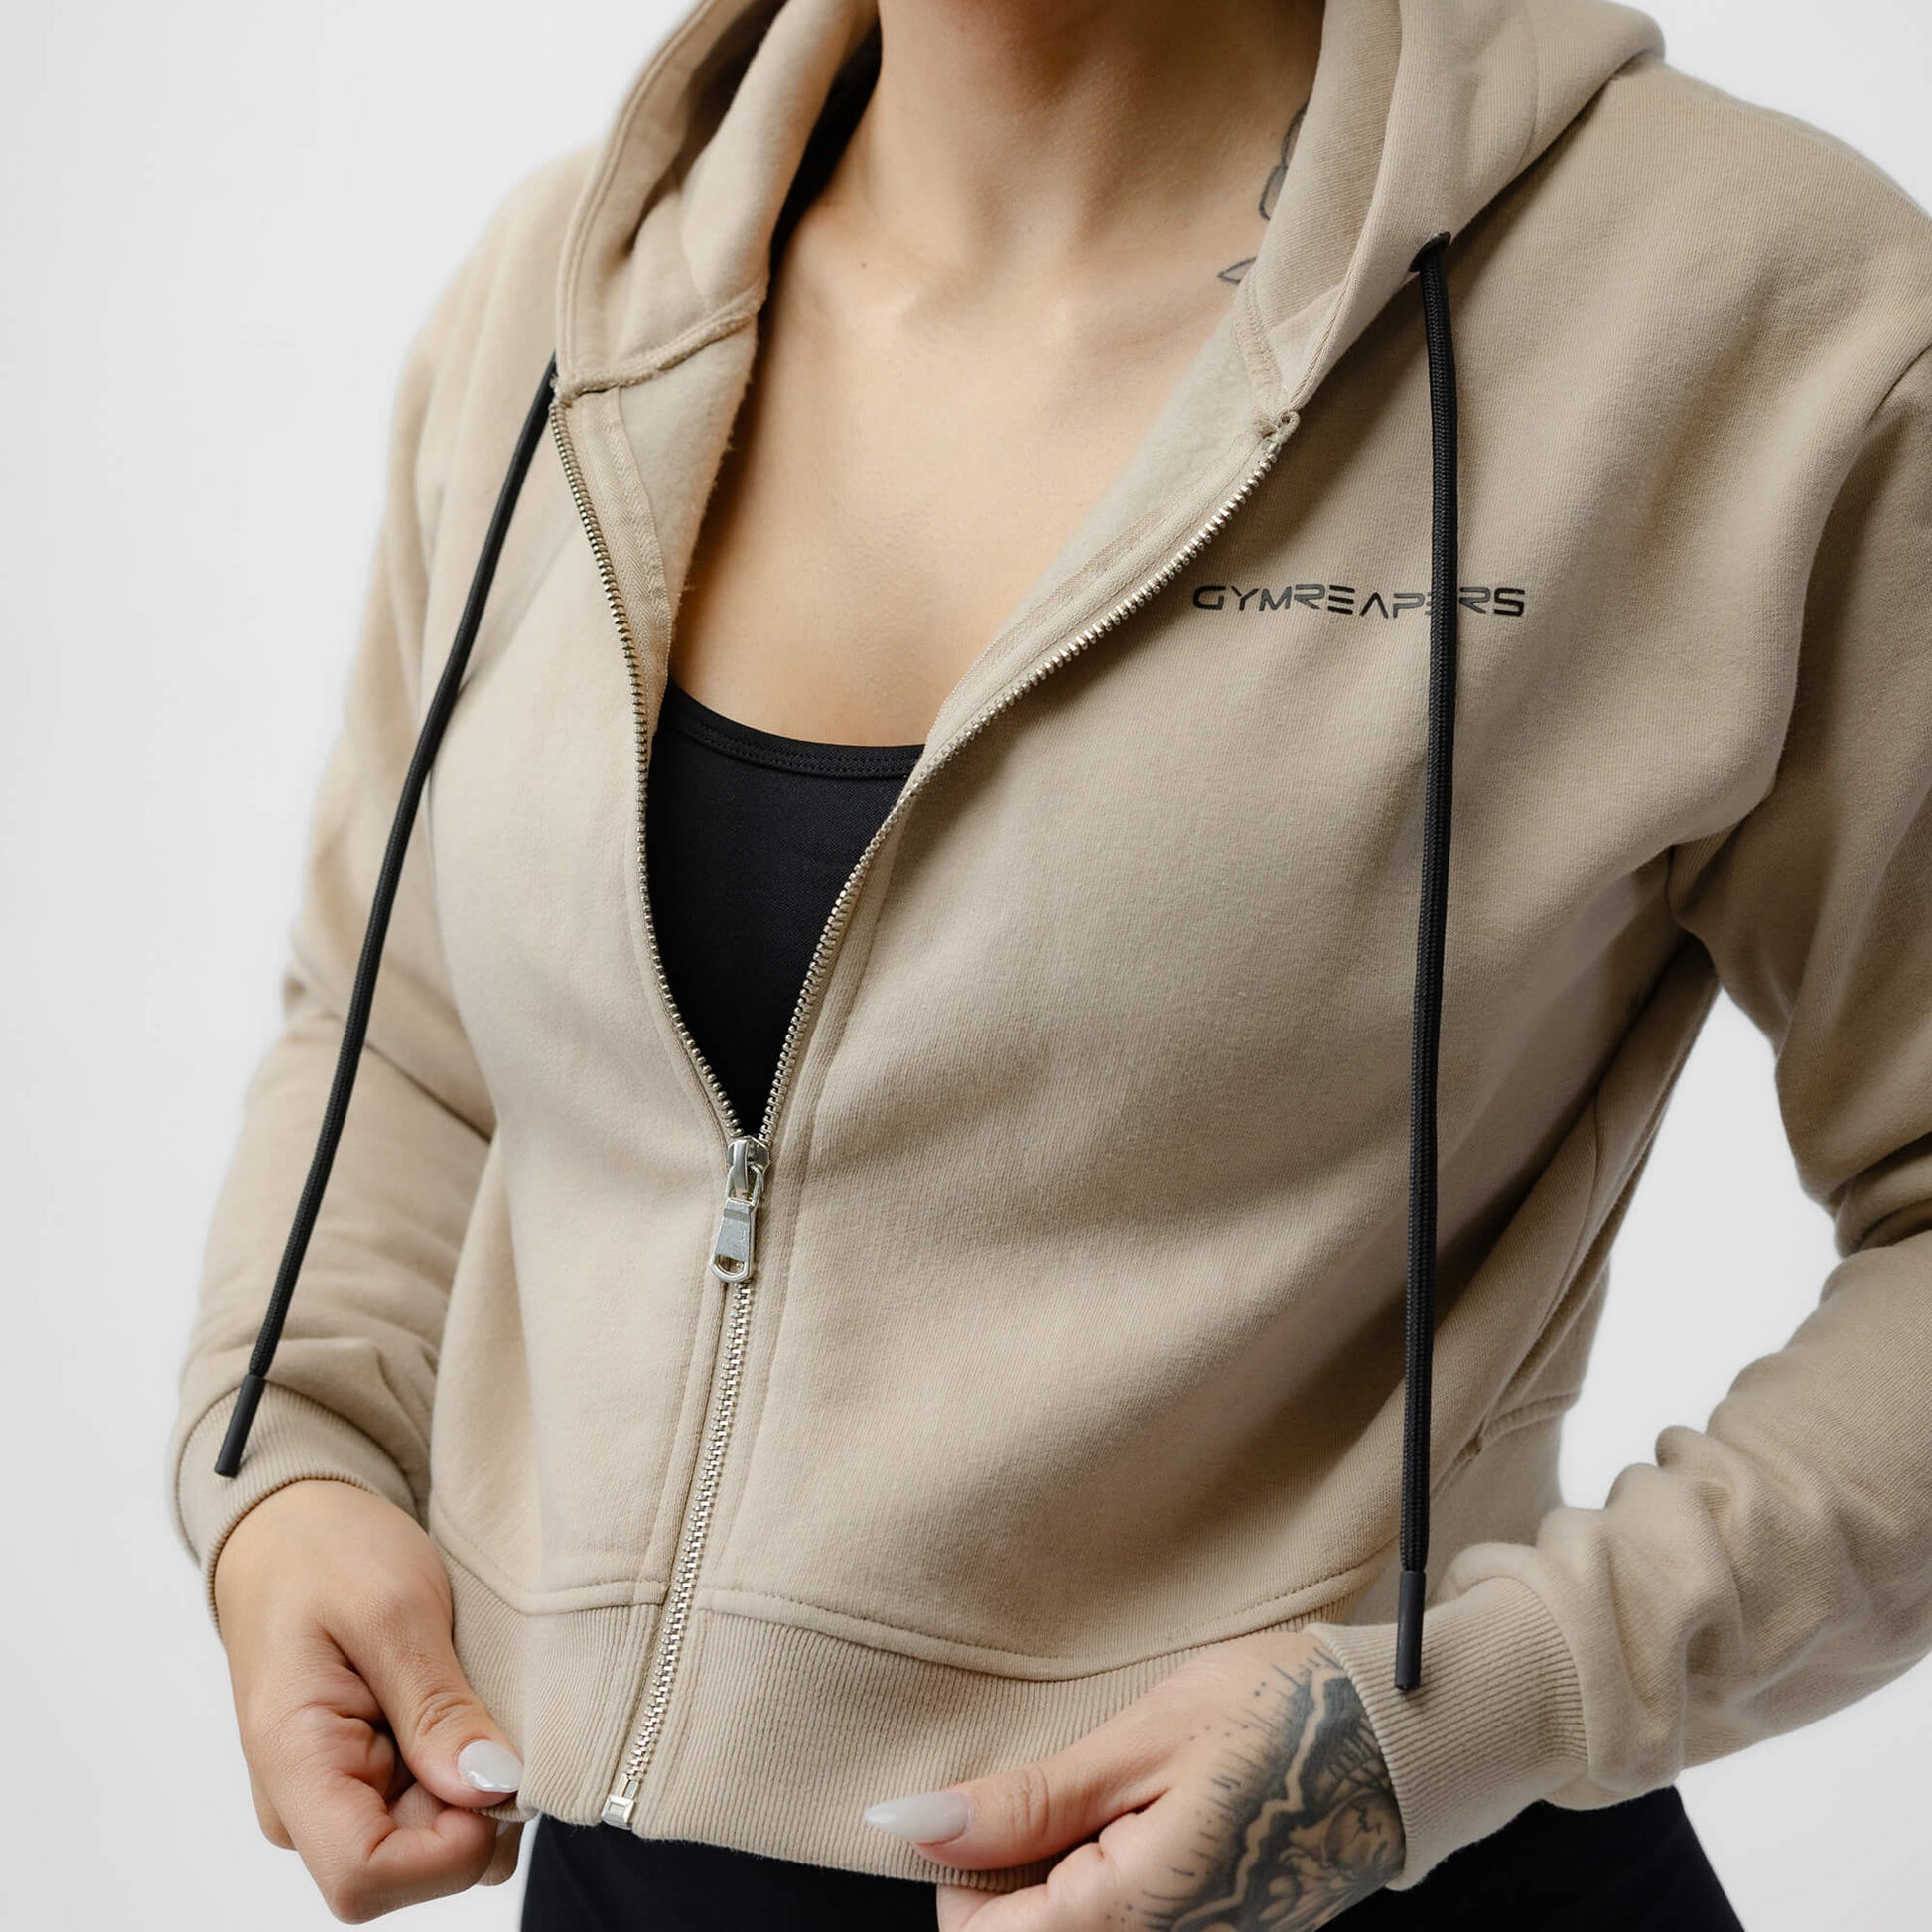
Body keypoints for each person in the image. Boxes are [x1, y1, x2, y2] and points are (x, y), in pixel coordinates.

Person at [166, 0, 1932, 1925]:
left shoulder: (1745, 314)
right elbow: (403, 1037)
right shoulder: (562, 300)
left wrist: (1474, 1706)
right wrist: (292, 1469)